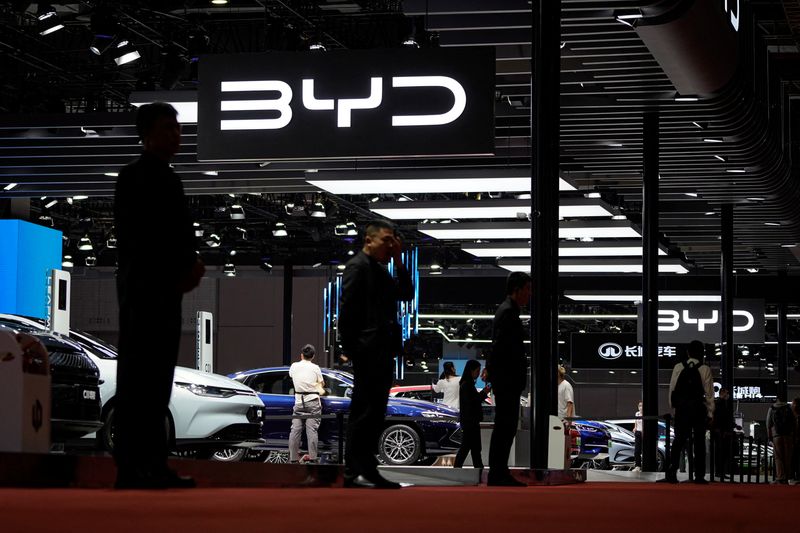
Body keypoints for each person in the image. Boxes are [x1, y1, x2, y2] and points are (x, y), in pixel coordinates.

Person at [113, 102, 204, 489]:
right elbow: (139, 240)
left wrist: (188, 267)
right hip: (144, 291)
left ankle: (152, 464)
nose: (176, 135)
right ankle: (133, 468)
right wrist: (180, 269)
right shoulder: (134, 178)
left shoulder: (170, 179)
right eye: (168, 128)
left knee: (157, 380)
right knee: (139, 381)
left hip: (164, 291)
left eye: (178, 128)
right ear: (147, 134)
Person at [339, 220, 413, 489]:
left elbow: (405, 293)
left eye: (393, 240)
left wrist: (399, 259)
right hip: (367, 350)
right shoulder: (357, 267)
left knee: (375, 411)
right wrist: (350, 349)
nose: (391, 244)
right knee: (364, 411)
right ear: (369, 240)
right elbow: (346, 309)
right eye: (386, 240)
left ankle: (366, 468)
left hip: (381, 349)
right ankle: (353, 472)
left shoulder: (379, 270)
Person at [485, 271, 530, 487]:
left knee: (505, 426)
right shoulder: (508, 313)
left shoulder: (508, 311)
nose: (529, 294)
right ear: (517, 289)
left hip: (505, 378)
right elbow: (500, 347)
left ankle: (499, 472)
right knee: (505, 426)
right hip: (507, 379)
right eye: (527, 289)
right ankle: (498, 472)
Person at [658, 340, 714, 484]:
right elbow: (709, 394)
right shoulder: (705, 369)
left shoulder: (678, 367)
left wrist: (674, 407)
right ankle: (699, 476)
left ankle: (671, 474)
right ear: (701, 353)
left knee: (678, 442)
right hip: (698, 410)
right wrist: (710, 413)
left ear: (688, 352)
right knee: (699, 443)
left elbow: (672, 389)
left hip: (682, 410)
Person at [288, 344, 325, 464]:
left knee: (295, 431)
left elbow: (291, 376)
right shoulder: (315, 368)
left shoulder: (294, 366)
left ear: (301, 355)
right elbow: (322, 384)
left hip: (299, 402)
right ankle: (313, 459)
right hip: (313, 402)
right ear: (313, 356)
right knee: (312, 431)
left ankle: (293, 459)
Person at [454, 360, 491, 469]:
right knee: (470, 448)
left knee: (472, 448)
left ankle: (477, 469)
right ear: (471, 370)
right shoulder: (467, 385)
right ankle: (475, 469)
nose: (478, 374)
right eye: (477, 371)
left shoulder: (466, 384)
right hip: (470, 421)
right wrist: (484, 392)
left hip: (469, 421)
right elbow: (474, 401)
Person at [766, 392, 795, 484]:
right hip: (788, 436)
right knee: (787, 457)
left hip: (776, 436)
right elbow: (794, 422)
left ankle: (780, 477)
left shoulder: (772, 408)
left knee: (778, 457)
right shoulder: (789, 408)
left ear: (777, 399)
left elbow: (768, 424)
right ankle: (786, 477)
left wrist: (769, 436)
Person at [712, 388, 736, 481]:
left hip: (721, 431)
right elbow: (722, 418)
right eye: (727, 393)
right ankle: (720, 472)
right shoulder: (720, 404)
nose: (728, 395)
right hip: (722, 432)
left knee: (721, 453)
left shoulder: (720, 403)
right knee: (721, 453)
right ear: (723, 393)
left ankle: (720, 472)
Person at [557, 366, 575, 469]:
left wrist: (568, 420)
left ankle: (563, 465)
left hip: (563, 420)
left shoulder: (566, 385)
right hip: (556, 419)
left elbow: (570, 403)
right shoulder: (556, 386)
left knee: (563, 444)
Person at [633, 401, 643, 472]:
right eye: (639, 406)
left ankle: (645, 466)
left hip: (644, 433)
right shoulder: (637, 413)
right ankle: (637, 466)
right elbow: (636, 423)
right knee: (637, 451)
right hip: (638, 433)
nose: (641, 407)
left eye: (642, 406)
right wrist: (635, 428)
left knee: (644, 451)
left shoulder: (645, 414)